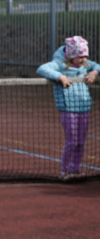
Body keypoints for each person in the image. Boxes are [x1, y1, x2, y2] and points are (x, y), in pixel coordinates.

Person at [37, 36, 99, 181]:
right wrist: (60, 76)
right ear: (71, 55)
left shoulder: (86, 65)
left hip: (84, 108)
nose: (84, 59)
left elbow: (97, 65)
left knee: (81, 142)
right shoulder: (59, 64)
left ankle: (75, 169)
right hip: (68, 108)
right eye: (80, 56)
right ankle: (64, 171)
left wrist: (95, 72)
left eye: (85, 56)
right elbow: (42, 69)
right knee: (72, 142)